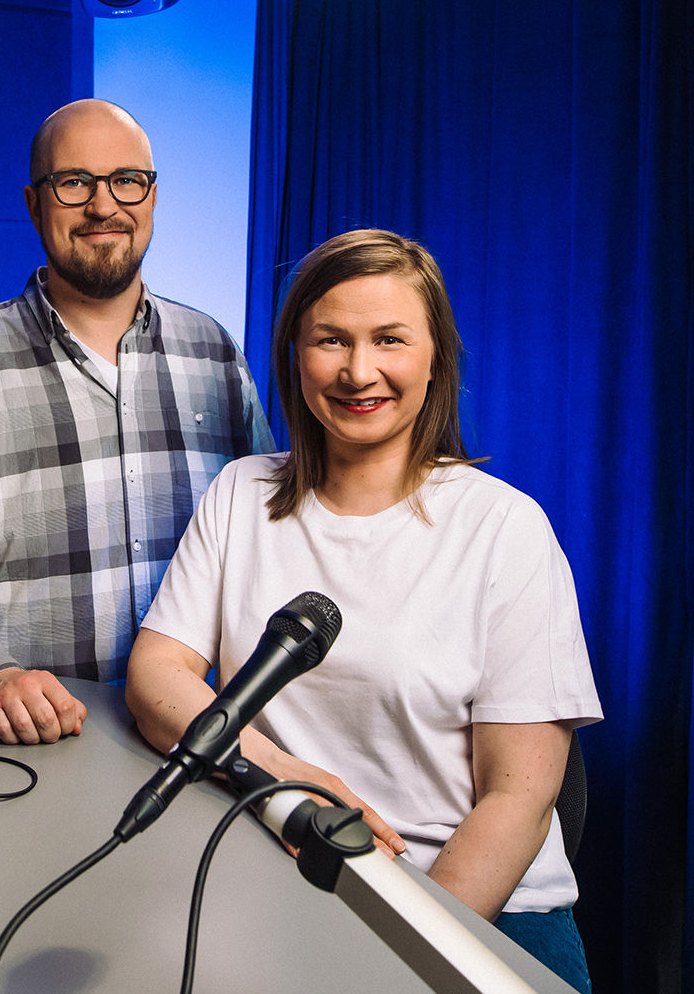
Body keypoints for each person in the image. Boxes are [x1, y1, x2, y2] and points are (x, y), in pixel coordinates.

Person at [124, 229, 603, 991]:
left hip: (477, 906)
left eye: (390, 339)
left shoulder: (505, 528)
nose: (358, 371)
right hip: (291, 867)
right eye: (331, 340)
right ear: (295, 355)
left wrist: (403, 961)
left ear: (436, 358)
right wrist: (282, 775)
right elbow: (157, 675)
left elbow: (519, 798)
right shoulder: (241, 494)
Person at [0, 99, 274, 746]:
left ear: (152, 196)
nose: (103, 206)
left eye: (127, 181)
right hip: (38, 744)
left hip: (203, 737)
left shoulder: (214, 353)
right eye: (74, 183)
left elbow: (266, 538)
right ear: (34, 204)